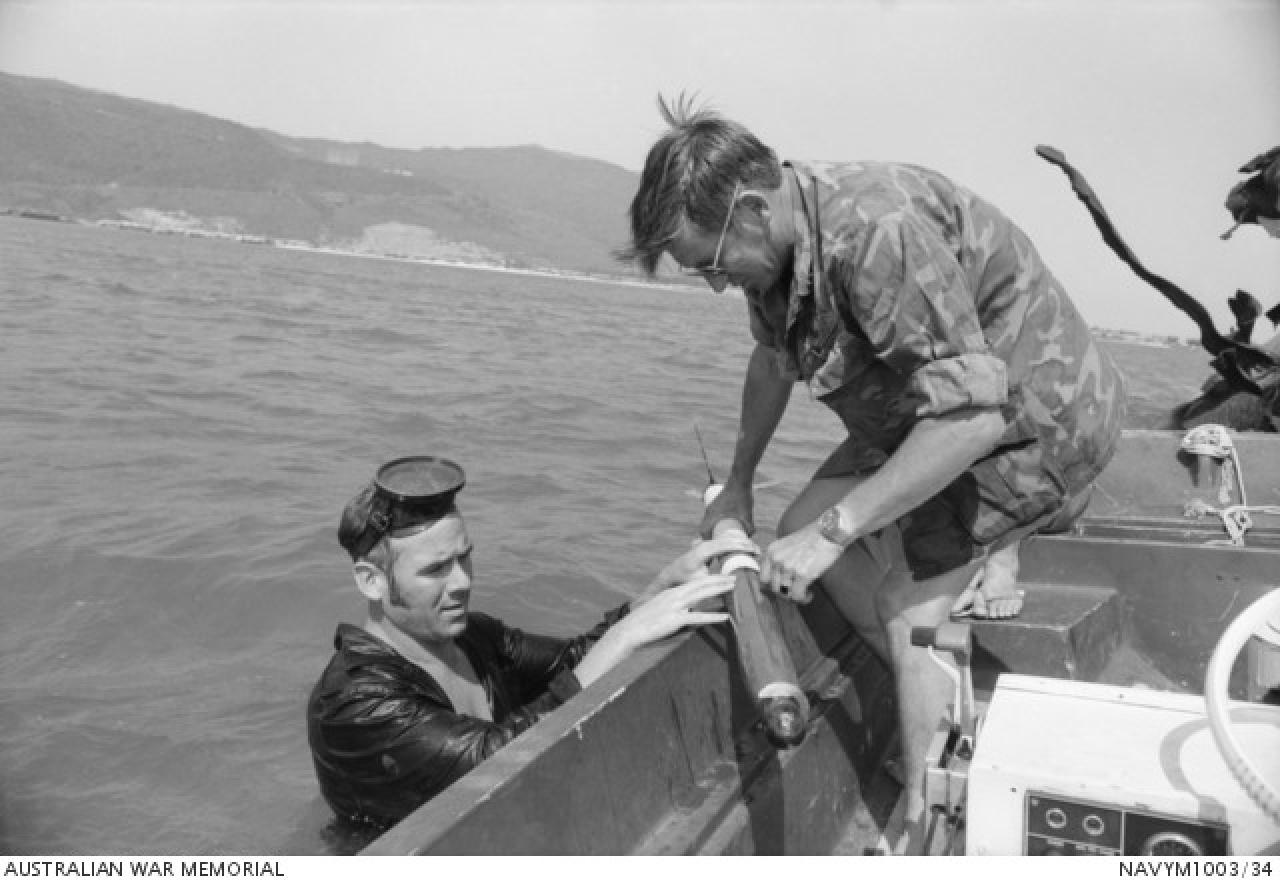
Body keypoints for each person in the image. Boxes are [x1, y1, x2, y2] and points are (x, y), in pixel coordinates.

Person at [619, 96, 1127, 845]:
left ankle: (936, 820)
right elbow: (772, 362)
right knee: (796, 527)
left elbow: (975, 415)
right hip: (929, 411)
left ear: (753, 210)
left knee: (905, 605)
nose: (718, 285)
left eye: (712, 265)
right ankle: (941, 706)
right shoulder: (781, 250)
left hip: (1035, 419)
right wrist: (740, 482)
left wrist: (840, 526)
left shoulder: (877, 232)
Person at [307, 455, 752, 830]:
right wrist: (624, 636)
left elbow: (574, 661)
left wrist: (655, 593)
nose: (462, 582)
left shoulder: (471, 635)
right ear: (371, 582)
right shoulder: (355, 703)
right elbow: (491, 766)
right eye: (436, 569)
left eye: (465, 557)